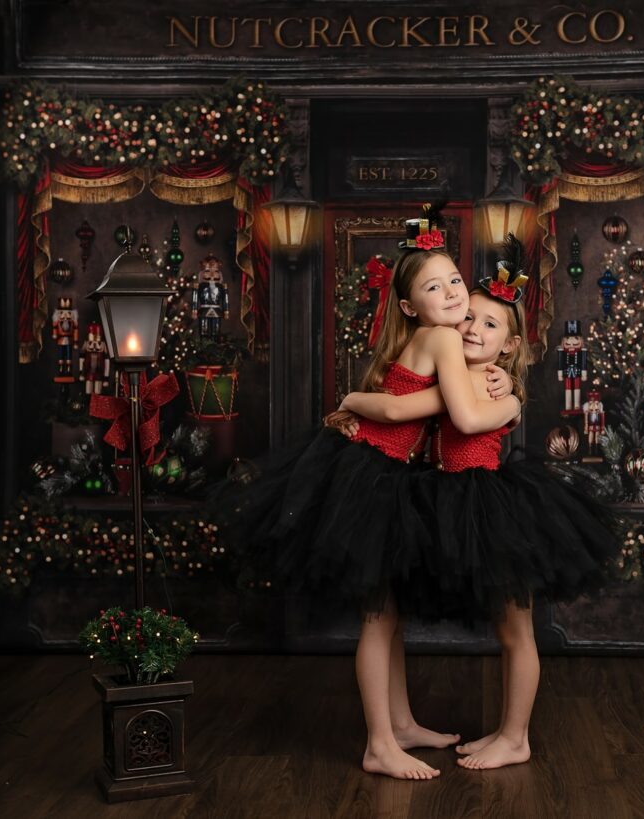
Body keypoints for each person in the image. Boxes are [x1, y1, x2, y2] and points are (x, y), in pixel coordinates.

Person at [213, 204, 521, 780]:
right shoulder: (443, 340)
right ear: (409, 306)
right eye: (435, 286)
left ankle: (400, 725)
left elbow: (408, 406)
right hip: (375, 475)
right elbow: (440, 411)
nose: (454, 292)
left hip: (380, 469)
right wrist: (496, 394)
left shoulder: (439, 338)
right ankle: (380, 743)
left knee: (391, 613)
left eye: (455, 278)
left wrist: (363, 400)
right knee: (379, 618)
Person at [336, 236, 619, 770]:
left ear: (509, 347)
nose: (472, 329)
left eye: (491, 325)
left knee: (515, 627)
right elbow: (406, 407)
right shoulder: (454, 367)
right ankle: (397, 729)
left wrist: (506, 402)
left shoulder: (498, 391)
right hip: (432, 496)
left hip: (491, 507)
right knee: (389, 614)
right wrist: (356, 405)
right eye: (472, 318)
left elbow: (455, 418)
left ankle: (515, 737)